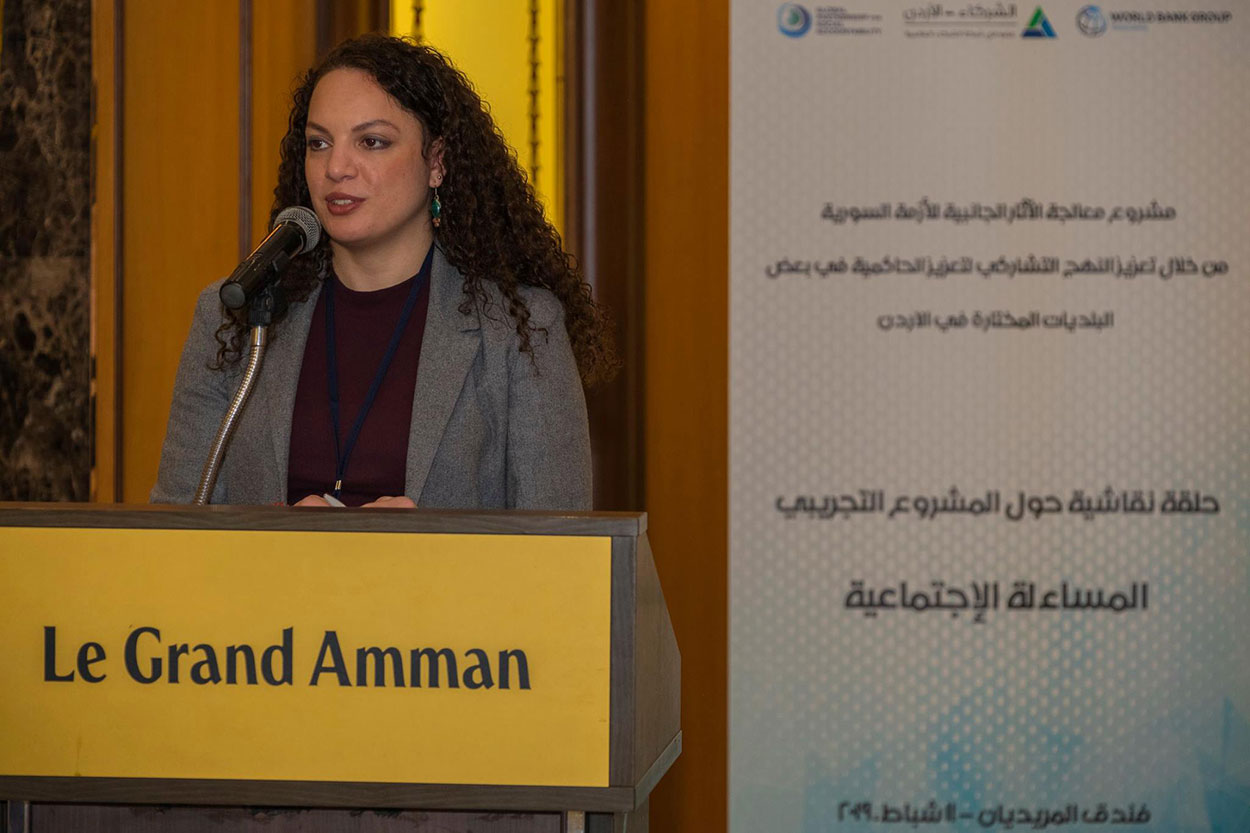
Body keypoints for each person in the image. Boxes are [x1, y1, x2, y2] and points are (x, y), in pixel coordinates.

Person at [151, 34, 615, 510]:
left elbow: (559, 544)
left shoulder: (521, 329)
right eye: (319, 143)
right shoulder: (237, 317)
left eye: (371, 142)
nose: (336, 167)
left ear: (437, 162)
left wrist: (417, 545)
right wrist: (268, 539)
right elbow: (173, 527)